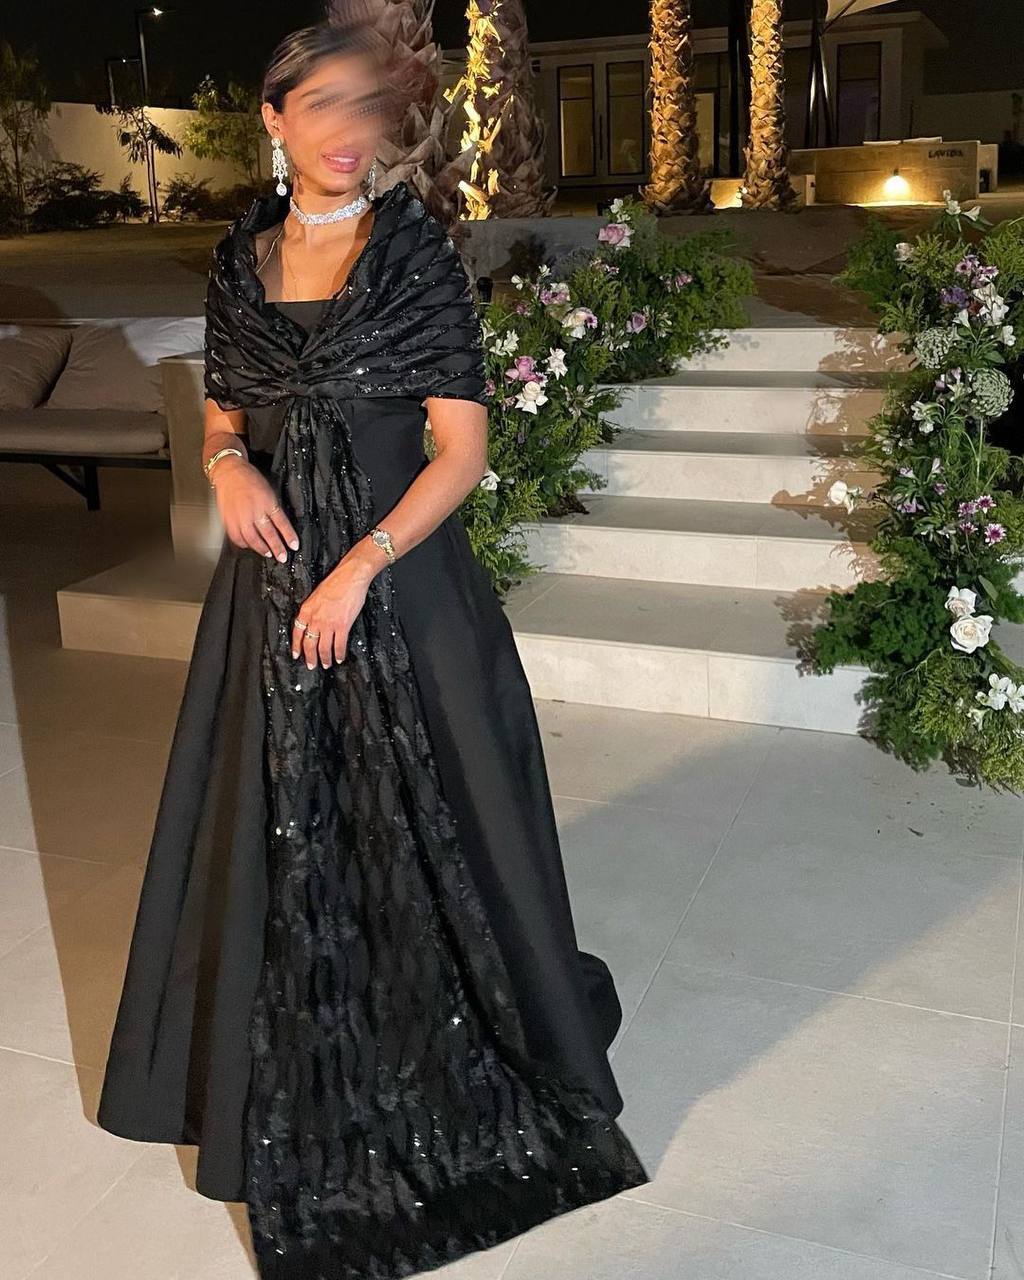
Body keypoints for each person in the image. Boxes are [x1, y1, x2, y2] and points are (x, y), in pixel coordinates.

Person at [97, 12, 648, 1279]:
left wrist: (359, 564)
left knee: (452, 818)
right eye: (323, 104)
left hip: (402, 586)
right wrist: (226, 463)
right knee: (278, 828)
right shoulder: (238, 259)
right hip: (270, 589)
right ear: (274, 117)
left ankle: (465, 1038)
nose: (350, 131)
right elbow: (224, 406)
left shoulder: (416, 254)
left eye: (369, 106)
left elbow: (462, 450)